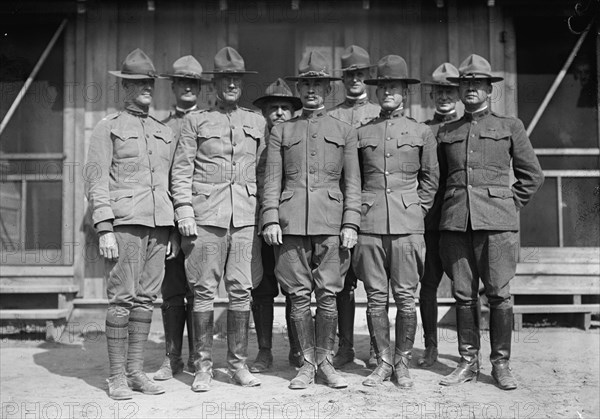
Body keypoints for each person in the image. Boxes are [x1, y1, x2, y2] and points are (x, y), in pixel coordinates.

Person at [437, 54, 544, 390]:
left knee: (499, 295)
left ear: (488, 89)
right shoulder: (446, 131)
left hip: (497, 225)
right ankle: (468, 362)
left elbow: (532, 175)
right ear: (459, 88)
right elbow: (438, 181)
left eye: (478, 84)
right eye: (465, 84)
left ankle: (501, 365)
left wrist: (509, 204)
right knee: (463, 295)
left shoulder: (510, 126)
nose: (471, 89)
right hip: (456, 223)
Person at [262, 50, 361, 390]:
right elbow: (272, 181)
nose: (311, 90)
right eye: (305, 84)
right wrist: (271, 218)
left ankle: (326, 362)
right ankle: (305, 364)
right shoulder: (283, 131)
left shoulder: (345, 130)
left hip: (332, 224)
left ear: (327, 88)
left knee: (329, 295)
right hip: (290, 224)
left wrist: (350, 222)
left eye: (317, 84)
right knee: (299, 296)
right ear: (299, 89)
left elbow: (353, 183)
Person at [171, 46, 265, 391]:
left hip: (244, 218)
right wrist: (183, 210)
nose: (231, 85)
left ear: (241, 83)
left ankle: (238, 365)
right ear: (213, 84)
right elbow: (181, 171)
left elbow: (265, 170)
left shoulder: (257, 121)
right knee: (203, 292)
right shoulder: (196, 121)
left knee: (241, 291)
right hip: (205, 218)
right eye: (225, 79)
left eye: (236, 79)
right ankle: (203, 368)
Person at [85, 48, 175, 399]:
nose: (145, 88)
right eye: (137, 82)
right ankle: (116, 377)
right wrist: (104, 226)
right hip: (124, 224)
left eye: (149, 82)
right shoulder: (108, 128)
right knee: (122, 298)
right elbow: (96, 180)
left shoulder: (162, 131)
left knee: (146, 298)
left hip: (158, 226)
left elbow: (167, 181)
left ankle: (136, 372)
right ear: (124, 87)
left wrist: (169, 229)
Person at [352, 55, 439, 388]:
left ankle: (402, 363)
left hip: (407, 226)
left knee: (405, 297)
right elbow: (354, 179)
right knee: (375, 297)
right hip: (369, 224)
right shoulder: (362, 133)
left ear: (405, 91)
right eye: (383, 86)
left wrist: (416, 208)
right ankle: (382, 362)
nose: (388, 92)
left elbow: (431, 179)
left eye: (395, 87)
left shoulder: (421, 132)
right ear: (376, 92)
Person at [327, 45, 380, 368]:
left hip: (372, 208)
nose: (355, 80)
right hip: (340, 208)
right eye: (349, 76)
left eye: (360, 75)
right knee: (342, 284)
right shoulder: (333, 116)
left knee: (376, 283)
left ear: (368, 78)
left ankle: (377, 348)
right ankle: (344, 346)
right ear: (342, 80)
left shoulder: (377, 114)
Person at [153, 55, 205, 381]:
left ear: (201, 88)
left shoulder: (210, 124)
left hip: (204, 222)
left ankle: (202, 362)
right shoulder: (162, 128)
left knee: (201, 290)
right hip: (172, 225)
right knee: (172, 291)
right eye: (182, 81)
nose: (188, 87)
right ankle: (172, 358)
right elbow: (160, 180)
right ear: (172, 86)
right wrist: (172, 228)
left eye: (194, 82)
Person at [250, 78, 304, 372]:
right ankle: (264, 351)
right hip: (257, 224)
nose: (280, 113)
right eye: (274, 108)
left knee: (295, 287)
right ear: (264, 113)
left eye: (285, 108)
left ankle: (297, 349)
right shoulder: (254, 143)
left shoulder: (298, 141)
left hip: (291, 224)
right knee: (262, 288)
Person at [417, 62, 461, 368]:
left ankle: (466, 353)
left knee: (464, 288)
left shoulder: (465, 128)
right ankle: (430, 346)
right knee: (428, 284)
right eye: (439, 91)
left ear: (458, 94)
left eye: (450, 91)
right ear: (432, 95)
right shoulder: (423, 130)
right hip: (431, 221)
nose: (444, 96)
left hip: (460, 220)